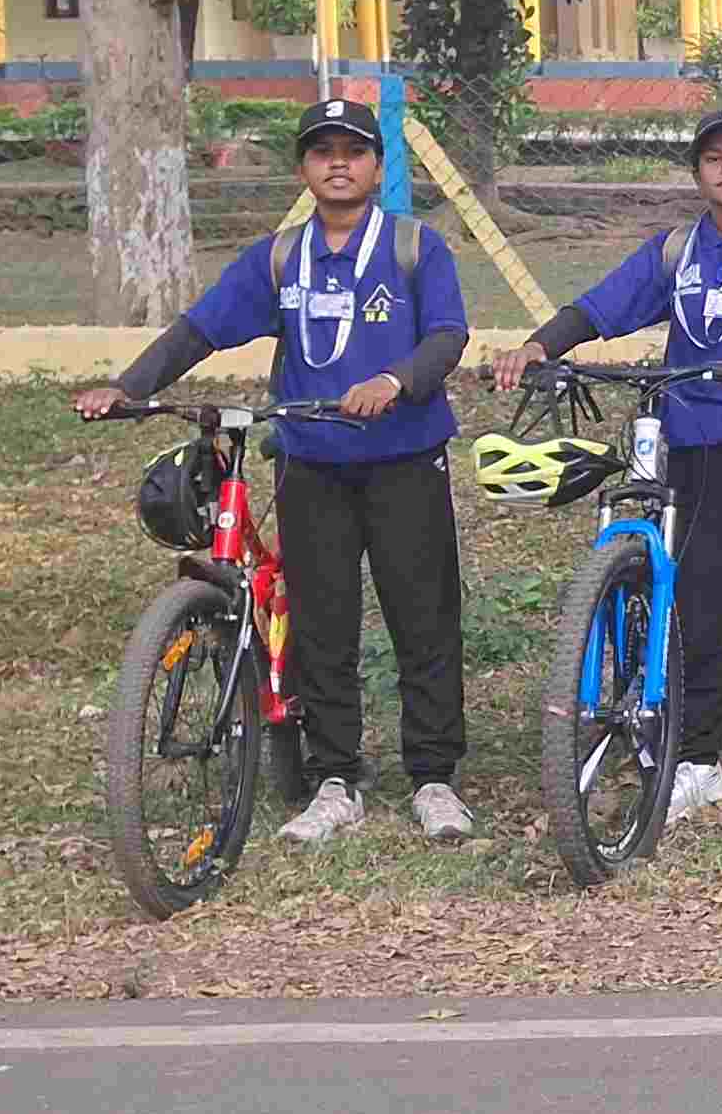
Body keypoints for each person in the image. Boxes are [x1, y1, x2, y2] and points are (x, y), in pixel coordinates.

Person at [76, 97, 473, 847]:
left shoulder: (416, 248)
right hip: (310, 464)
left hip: (404, 462)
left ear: (377, 167)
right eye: (322, 152)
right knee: (321, 625)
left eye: (353, 151)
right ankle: (335, 779)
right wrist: (129, 386)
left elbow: (448, 336)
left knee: (423, 619)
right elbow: (200, 328)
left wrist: (394, 381)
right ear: (304, 169)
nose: (338, 164)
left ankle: (434, 778)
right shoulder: (279, 258)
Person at [493, 107, 722, 818]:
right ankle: (697, 757)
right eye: (714, 158)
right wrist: (540, 345)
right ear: (697, 172)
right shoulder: (675, 253)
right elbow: (599, 308)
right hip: (696, 446)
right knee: (695, 600)